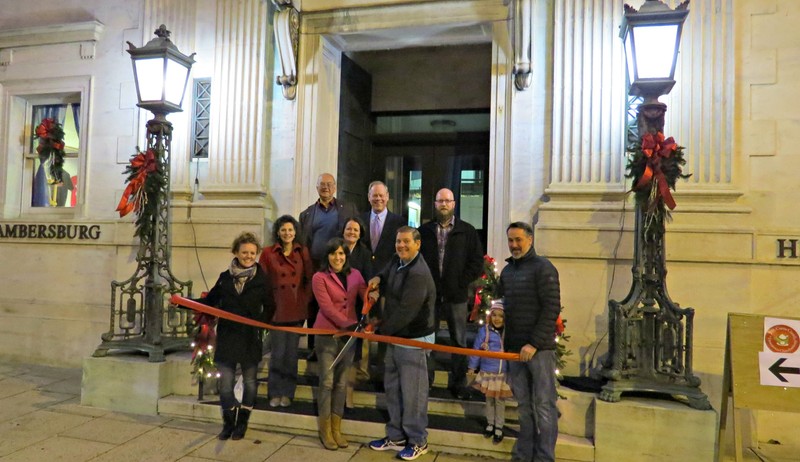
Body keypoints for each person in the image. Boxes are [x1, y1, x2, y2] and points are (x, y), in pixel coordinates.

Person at [198, 232, 275, 441]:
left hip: (250, 338)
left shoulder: (262, 279)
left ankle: (243, 421)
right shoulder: (225, 277)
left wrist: (261, 323)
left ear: (257, 253)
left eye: (252, 253)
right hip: (228, 337)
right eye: (244, 252)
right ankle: (229, 421)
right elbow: (210, 301)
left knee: (250, 382)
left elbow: (270, 307)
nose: (248, 256)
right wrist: (185, 302)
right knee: (225, 385)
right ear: (236, 252)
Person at [368, 226, 436, 461]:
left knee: (413, 394)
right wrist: (378, 278)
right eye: (398, 242)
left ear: (418, 244)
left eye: (406, 242)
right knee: (393, 389)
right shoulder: (399, 261)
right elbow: (387, 271)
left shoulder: (418, 273)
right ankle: (395, 435)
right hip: (395, 337)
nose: (401, 246)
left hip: (414, 339)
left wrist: (379, 330)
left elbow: (408, 311)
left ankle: (418, 440)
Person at [500, 221, 560, 462]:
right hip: (515, 351)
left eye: (518, 240)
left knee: (544, 407)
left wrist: (534, 343)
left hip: (540, 351)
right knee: (524, 407)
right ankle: (524, 456)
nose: (514, 245)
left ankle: (545, 458)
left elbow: (551, 307)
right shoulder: (506, 272)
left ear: (530, 240)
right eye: (511, 240)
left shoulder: (543, 268)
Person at [419, 187, 484, 398]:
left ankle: (458, 383)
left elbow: (476, 262)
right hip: (430, 296)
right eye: (440, 201)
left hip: (456, 296)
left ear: (454, 204)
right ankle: (426, 381)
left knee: (459, 340)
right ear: (435, 204)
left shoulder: (467, 231)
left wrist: (461, 282)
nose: (444, 204)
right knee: (429, 339)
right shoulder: (424, 231)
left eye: (448, 200)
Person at [312, 237, 366, 450]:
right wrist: (349, 324)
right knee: (326, 382)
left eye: (341, 253)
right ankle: (325, 431)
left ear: (346, 255)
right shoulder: (319, 277)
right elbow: (327, 308)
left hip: (349, 337)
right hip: (326, 335)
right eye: (334, 253)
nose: (338, 257)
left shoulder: (356, 275)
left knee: (342, 383)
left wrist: (374, 290)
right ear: (328, 256)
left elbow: (365, 295)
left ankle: (337, 428)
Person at [299, 173, 358, 356]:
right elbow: (303, 242)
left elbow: (355, 233)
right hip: (316, 267)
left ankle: (341, 343)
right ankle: (314, 348)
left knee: (338, 305)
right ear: (316, 188)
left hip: (340, 267)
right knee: (315, 307)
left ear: (335, 187)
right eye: (322, 184)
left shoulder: (348, 208)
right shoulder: (307, 213)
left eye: (329, 184)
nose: (326, 187)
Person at [258, 215, 313, 408]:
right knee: (277, 354)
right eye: (283, 230)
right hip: (277, 310)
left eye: (290, 230)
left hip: (296, 310)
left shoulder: (302, 252)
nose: (287, 233)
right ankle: (274, 392)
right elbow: (261, 281)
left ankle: (288, 392)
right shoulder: (267, 253)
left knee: (291, 355)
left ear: (295, 231)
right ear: (278, 232)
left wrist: (304, 301)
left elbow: (309, 279)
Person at [467, 299, 513, 444]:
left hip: (503, 373)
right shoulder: (485, 331)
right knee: (489, 400)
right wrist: (472, 367)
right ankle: (490, 423)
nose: (497, 319)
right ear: (490, 316)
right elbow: (476, 351)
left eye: (500, 316)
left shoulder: (509, 332)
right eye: (494, 315)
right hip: (488, 372)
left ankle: (499, 426)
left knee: (500, 401)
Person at [341, 217, 373, 386]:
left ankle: (353, 382)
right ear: (343, 231)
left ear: (360, 234)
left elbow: (367, 280)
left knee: (356, 347)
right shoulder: (336, 249)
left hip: (358, 305)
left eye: (355, 230)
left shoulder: (365, 254)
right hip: (338, 305)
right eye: (349, 229)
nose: (352, 232)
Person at [360, 180, 405, 274]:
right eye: (375, 195)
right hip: (363, 274)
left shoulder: (399, 222)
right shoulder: (360, 220)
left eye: (381, 195)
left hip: (388, 275)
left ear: (387, 196)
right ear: (369, 197)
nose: (378, 198)